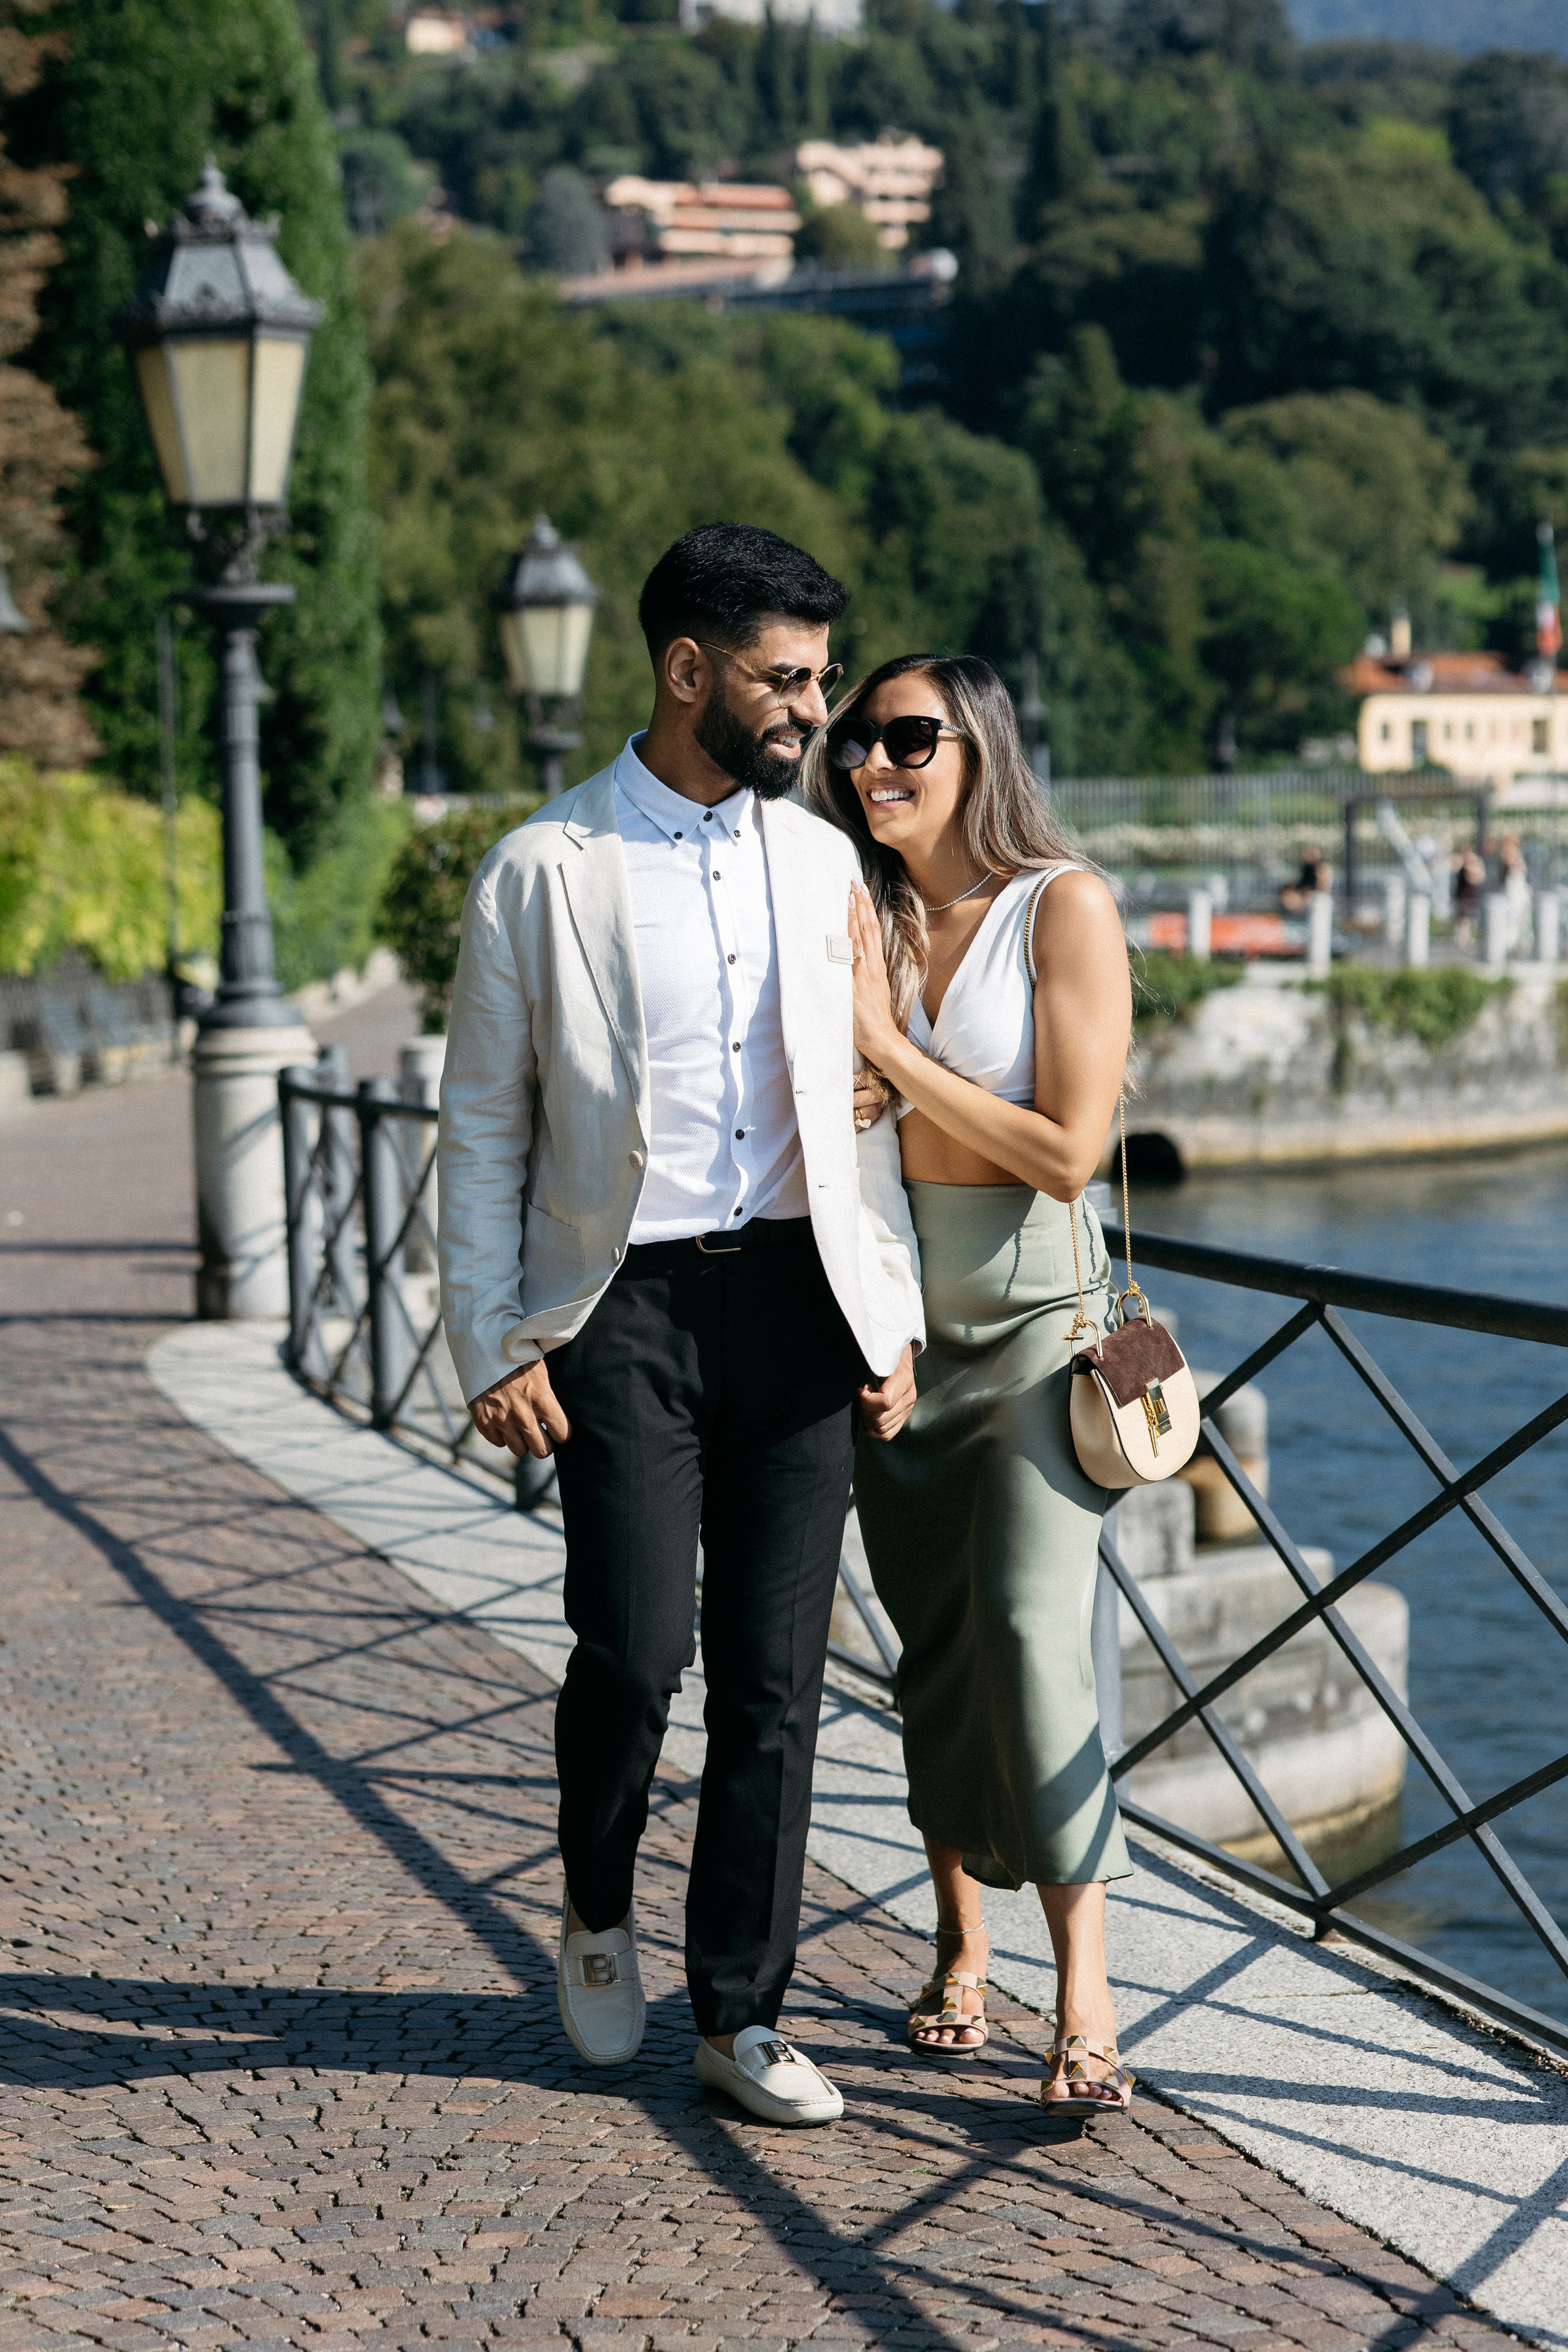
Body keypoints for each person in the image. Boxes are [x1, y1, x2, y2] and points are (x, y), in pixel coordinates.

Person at [437, 524, 924, 2128]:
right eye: (787, 682)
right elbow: (484, 1126)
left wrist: (891, 1309)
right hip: (617, 1309)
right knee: (639, 1650)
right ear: (686, 670)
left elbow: (857, 1115)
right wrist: (492, 1340)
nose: (816, 714)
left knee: (777, 1681)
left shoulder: (820, 864)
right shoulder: (543, 868)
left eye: (824, 681)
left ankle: (740, 2016)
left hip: (797, 1300)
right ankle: (592, 1906)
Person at [802, 654, 1136, 2116]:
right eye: (855, 737)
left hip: (1039, 1321)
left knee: (1024, 1627)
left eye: (907, 736)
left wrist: (886, 1052)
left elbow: (1066, 1150)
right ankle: (957, 1943)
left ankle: (1086, 1992)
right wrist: (872, 1321)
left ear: (975, 747)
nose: (875, 758)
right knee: (929, 1641)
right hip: (896, 1319)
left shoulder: (1060, 904)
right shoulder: (856, 910)